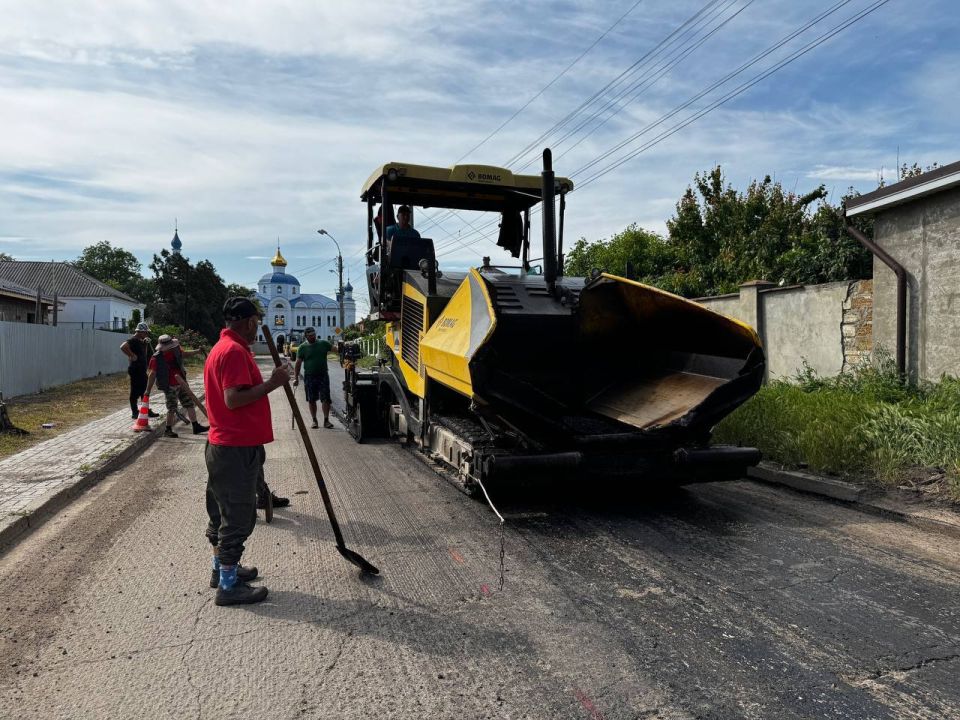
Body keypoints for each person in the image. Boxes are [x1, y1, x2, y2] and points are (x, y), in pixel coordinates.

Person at [204, 297, 289, 606]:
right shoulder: (234, 351)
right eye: (255, 321)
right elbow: (233, 400)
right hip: (234, 448)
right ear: (248, 321)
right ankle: (228, 587)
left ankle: (223, 570)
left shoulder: (223, 347)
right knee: (238, 517)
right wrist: (273, 383)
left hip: (226, 444)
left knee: (223, 512)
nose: (257, 327)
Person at [145, 334, 208, 438]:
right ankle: (168, 430)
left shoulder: (176, 349)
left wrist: (197, 351)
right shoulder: (156, 358)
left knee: (189, 404)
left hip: (181, 382)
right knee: (172, 408)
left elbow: (184, 354)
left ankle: (195, 426)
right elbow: (152, 374)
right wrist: (147, 390)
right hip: (169, 385)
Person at [293, 327, 333, 429]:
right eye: (310, 335)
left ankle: (326, 420)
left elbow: (335, 349)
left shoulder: (323, 344)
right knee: (311, 399)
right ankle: (314, 420)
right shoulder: (302, 348)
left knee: (326, 398)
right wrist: (296, 378)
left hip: (323, 375)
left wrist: (343, 348)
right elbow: (298, 363)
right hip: (309, 376)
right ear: (306, 336)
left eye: (313, 335)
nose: (312, 337)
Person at [120, 322, 159, 419]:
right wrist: (131, 355)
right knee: (135, 391)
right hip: (135, 369)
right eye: (145, 332)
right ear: (140, 331)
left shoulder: (140, 341)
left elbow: (143, 354)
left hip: (141, 369)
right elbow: (123, 346)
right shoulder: (133, 340)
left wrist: (145, 344)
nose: (146, 334)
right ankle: (134, 412)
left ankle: (145, 410)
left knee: (144, 390)